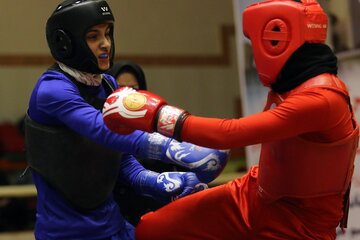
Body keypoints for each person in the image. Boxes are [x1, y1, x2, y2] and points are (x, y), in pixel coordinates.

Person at [103, 0, 359, 239]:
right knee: (153, 228)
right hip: (255, 193)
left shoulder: (321, 98)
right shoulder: (293, 81)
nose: (254, 51)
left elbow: (231, 134)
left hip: (299, 224)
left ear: (276, 40)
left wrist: (155, 115)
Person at [24, 0, 229, 239]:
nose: (105, 44)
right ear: (65, 43)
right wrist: (173, 148)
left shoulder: (107, 84)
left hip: (112, 225)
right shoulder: (53, 90)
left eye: (108, 33)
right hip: (66, 233)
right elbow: (104, 130)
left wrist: (153, 180)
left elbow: (119, 156)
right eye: (93, 36)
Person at [107, 60, 185, 225]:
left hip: (158, 221)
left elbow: (184, 166)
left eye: (135, 90)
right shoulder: (99, 127)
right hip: (115, 223)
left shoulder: (161, 127)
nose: (127, 96)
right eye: (120, 89)